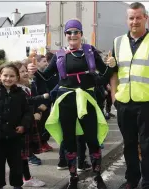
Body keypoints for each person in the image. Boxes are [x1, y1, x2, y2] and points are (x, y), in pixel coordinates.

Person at [28, 18, 110, 189]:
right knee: (68, 140)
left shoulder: (90, 51)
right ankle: (73, 177)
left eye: (76, 32)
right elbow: (46, 76)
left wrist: (111, 66)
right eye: (69, 32)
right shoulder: (59, 55)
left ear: (81, 34)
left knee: (92, 139)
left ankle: (97, 176)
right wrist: (35, 72)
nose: (73, 35)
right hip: (66, 102)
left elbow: (104, 73)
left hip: (87, 100)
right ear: (65, 35)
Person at [107, 2, 149, 189]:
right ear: (127, 20)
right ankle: (131, 179)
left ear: (145, 18)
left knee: (146, 146)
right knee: (128, 145)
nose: (134, 21)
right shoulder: (118, 42)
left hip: (148, 103)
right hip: (124, 102)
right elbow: (113, 72)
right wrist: (114, 96)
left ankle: (148, 182)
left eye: (138, 17)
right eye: (131, 18)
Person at [13, 61, 46, 187]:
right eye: (22, 72)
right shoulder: (16, 90)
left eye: (25, 70)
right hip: (20, 127)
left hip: (28, 125)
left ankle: (26, 178)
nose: (25, 73)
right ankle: (21, 181)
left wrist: (37, 110)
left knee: (24, 156)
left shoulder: (26, 87)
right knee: (19, 156)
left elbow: (30, 105)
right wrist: (32, 116)